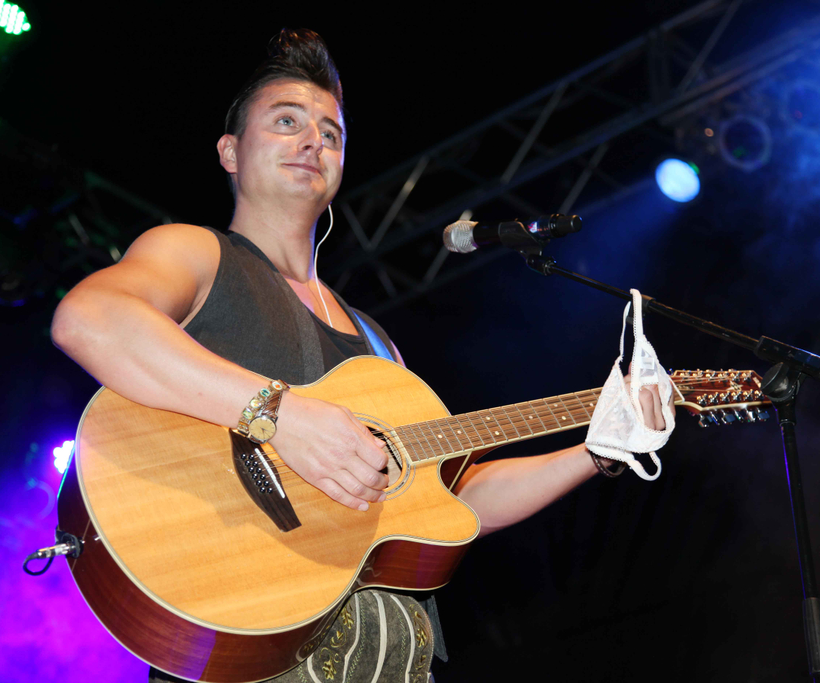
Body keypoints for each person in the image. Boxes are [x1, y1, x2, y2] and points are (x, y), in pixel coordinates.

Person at [51, 28, 671, 683]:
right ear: (230, 152)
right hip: (252, 627)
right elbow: (89, 319)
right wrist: (278, 414)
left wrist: (599, 449)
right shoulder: (198, 252)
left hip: (383, 656)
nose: (312, 141)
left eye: (331, 133)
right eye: (286, 122)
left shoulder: (377, 342)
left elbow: (448, 501)